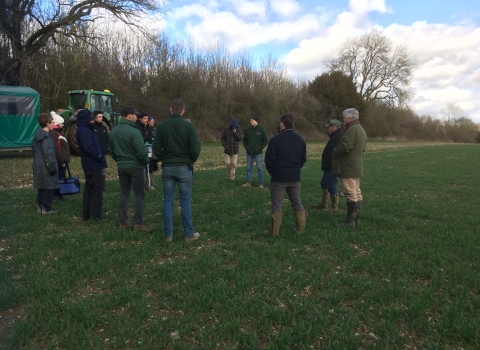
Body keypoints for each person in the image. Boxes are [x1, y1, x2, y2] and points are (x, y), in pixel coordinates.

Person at [152, 99, 201, 243]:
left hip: (167, 167)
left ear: (170, 109)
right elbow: (195, 149)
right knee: (185, 201)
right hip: (184, 167)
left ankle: (168, 235)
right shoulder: (189, 126)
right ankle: (189, 234)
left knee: (168, 201)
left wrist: (164, 158)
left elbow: (155, 149)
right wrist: (190, 159)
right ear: (183, 111)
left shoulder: (162, 126)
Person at [108, 107, 151, 231]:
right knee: (139, 194)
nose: (136, 118)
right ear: (128, 116)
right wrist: (146, 161)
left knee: (124, 194)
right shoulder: (134, 131)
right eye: (134, 115)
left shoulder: (114, 131)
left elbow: (112, 150)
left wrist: (120, 161)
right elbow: (141, 151)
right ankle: (138, 223)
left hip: (122, 166)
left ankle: (124, 222)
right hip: (135, 167)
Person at [264, 114, 307, 236]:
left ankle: (274, 232)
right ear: (292, 124)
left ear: (282, 124)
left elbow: (269, 161)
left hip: (279, 178)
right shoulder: (300, 140)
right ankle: (300, 229)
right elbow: (303, 159)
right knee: (297, 203)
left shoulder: (275, 140)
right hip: (294, 177)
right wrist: (295, 169)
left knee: (277, 205)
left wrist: (273, 172)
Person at [332, 108, 367, 227]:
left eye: (344, 118)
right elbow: (362, 148)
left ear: (351, 118)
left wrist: (334, 151)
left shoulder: (351, 130)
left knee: (350, 192)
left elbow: (345, 147)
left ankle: (350, 221)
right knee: (357, 192)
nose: (343, 120)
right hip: (356, 165)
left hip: (348, 167)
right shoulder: (361, 129)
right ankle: (356, 219)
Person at [76, 109, 107, 221]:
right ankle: (95, 216)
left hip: (91, 163)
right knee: (96, 189)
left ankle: (88, 215)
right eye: (91, 118)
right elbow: (88, 147)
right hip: (93, 164)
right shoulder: (84, 131)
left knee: (90, 188)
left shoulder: (85, 129)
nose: (93, 120)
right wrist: (98, 156)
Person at [314, 119, 344, 212]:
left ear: (334, 127)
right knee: (324, 183)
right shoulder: (335, 136)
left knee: (332, 186)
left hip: (332, 166)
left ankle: (334, 207)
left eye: (330, 127)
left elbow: (332, 154)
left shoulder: (337, 137)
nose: (329, 129)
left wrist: (327, 163)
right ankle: (324, 204)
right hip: (329, 166)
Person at [32, 114, 59, 214]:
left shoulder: (37, 135)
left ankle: (39, 206)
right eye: (52, 122)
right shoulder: (46, 137)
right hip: (45, 165)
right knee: (49, 186)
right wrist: (52, 168)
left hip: (38, 163)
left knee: (42, 186)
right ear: (47, 123)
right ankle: (46, 209)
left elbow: (33, 150)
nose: (53, 124)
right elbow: (49, 154)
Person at [49, 111, 70, 202]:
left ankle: (59, 195)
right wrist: (61, 160)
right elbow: (55, 148)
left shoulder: (58, 133)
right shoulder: (54, 133)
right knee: (58, 178)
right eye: (61, 123)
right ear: (57, 124)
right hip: (59, 161)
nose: (63, 125)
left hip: (62, 160)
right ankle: (56, 196)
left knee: (60, 178)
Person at [242, 116, 268, 188]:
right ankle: (248, 182)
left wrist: (260, 147)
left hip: (258, 153)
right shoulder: (248, 130)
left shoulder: (261, 130)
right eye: (250, 120)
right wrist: (246, 147)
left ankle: (261, 183)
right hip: (249, 152)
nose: (251, 122)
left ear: (256, 121)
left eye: (252, 120)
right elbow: (244, 140)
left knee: (260, 167)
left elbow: (265, 140)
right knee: (249, 167)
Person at [93, 110, 109, 191]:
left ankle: (103, 186)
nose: (101, 118)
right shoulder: (92, 128)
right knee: (96, 170)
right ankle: (96, 185)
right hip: (96, 153)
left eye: (101, 117)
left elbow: (106, 138)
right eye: (99, 117)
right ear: (94, 117)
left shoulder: (104, 128)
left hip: (103, 153)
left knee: (103, 170)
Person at [146, 115, 159, 190]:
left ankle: (152, 182)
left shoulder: (154, 129)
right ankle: (148, 183)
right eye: (151, 120)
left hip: (154, 150)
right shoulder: (146, 129)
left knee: (154, 166)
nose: (153, 122)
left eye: (153, 120)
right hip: (148, 149)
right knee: (149, 166)